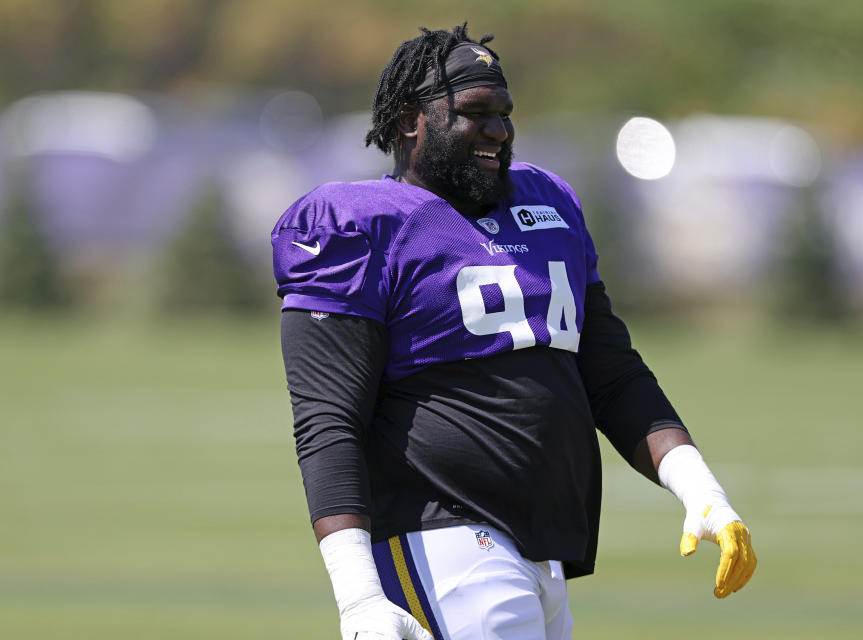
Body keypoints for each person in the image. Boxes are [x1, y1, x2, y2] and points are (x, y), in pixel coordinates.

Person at [272, 23, 756, 640]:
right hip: (442, 536)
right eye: (475, 114)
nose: (498, 132)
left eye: (505, 113)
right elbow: (327, 418)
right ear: (408, 120)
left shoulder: (546, 204)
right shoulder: (358, 226)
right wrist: (359, 595)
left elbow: (612, 374)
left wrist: (703, 493)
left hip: (542, 552)